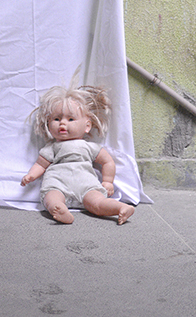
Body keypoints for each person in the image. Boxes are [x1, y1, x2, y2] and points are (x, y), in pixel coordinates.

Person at [20, 85, 135, 225]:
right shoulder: (52, 148)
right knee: (51, 197)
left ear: (87, 126)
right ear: (49, 124)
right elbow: (40, 164)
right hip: (58, 183)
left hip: (86, 184)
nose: (62, 122)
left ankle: (121, 208)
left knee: (98, 203)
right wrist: (31, 175)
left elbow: (107, 162)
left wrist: (108, 181)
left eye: (70, 119)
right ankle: (60, 209)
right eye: (56, 119)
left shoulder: (89, 147)